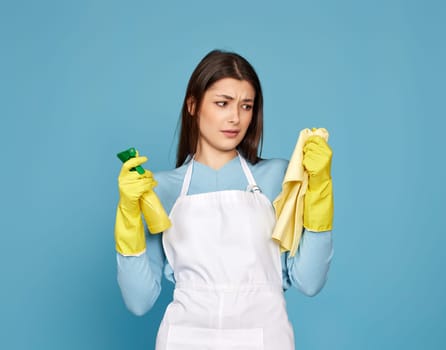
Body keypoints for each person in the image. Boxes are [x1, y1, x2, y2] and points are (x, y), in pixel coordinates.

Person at [114, 49, 334, 350]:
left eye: (246, 106)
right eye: (222, 103)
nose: (235, 118)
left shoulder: (278, 177)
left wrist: (320, 190)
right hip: (184, 339)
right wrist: (127, 215)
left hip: (264, 339)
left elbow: (309, 282)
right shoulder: (161, 189)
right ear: (193, 105)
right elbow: (139, 302)